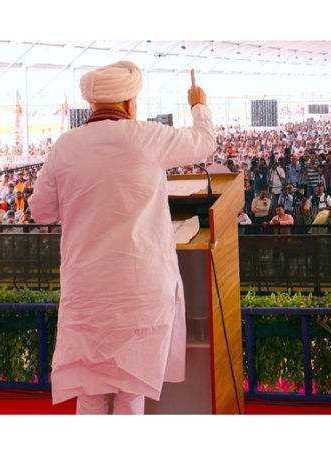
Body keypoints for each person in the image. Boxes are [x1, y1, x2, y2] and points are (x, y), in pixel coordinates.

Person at [29, 62, 215, 414]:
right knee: (132, 391)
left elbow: (42, 212)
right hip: (140, 285)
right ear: (130, 103)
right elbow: (204, 143)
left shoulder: (65, 146)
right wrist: (197, 103)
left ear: (94, 104)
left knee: (90, 390)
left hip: (87, 288)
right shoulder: (146, 136)